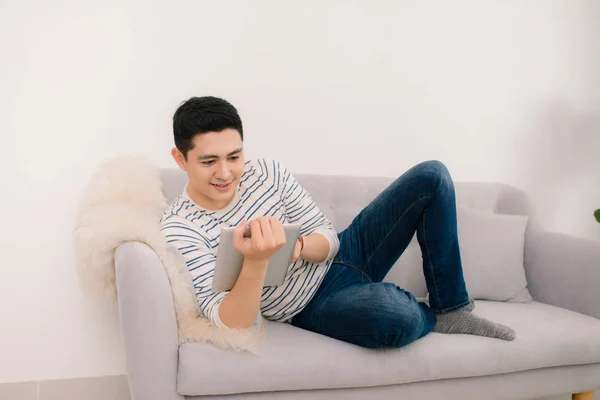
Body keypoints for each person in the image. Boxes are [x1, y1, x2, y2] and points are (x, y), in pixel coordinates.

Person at [160, 96, 515, 349]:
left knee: (432, 176)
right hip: (308, 304)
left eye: (234, 157)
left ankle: (452, 307)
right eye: (208, 162)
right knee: (394, 316)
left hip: (346, 255)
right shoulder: (179, 228)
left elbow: (327, 237)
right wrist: (256, 262)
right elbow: (229, 320)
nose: (226, 174)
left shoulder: (266, 172)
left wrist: (297, 247)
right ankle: (423, 315)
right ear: (180, 158)